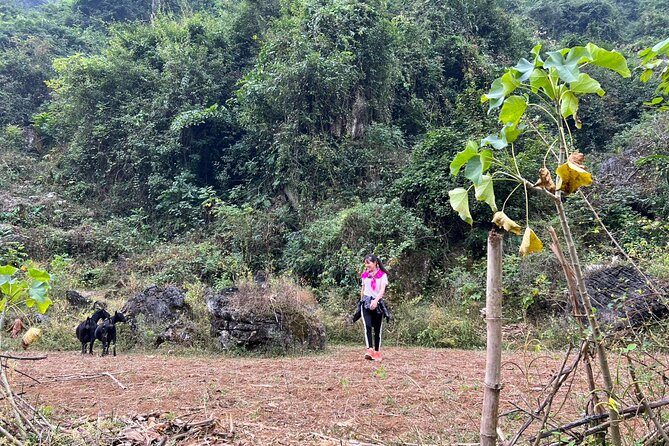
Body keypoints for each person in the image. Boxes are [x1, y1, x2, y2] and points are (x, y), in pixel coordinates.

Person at [360, 254, 389, 361]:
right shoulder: (364, 275)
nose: (367, 266)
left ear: (375, 263)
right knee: (367, 325)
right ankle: (370, 350)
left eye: (369, 263)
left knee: (377, 329)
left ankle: (377, 352)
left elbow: (382, 290)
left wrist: (376, 301)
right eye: (365, 264)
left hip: (378, 303)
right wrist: (362, 301)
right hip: (366, 302)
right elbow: (363, 289)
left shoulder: (382, 275)